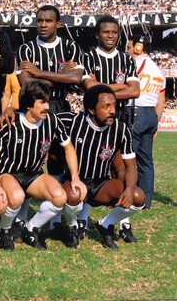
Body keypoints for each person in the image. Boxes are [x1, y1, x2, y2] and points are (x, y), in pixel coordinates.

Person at [0, 81, 86, 251]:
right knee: (16, 196)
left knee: (59, 196)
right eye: (42, 102)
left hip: (33, 175)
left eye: (48, 102)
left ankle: (30, 228)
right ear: (29, 105)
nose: (47, 106)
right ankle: (4, 231)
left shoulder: (52, 121)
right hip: (8, 173)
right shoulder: (11, 122)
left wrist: (75, 177)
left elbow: (69, 149)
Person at [15, 5, 85, 237]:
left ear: (58, 24)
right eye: (40, 20)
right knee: (28, 162)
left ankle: (56, 219)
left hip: (60, 108)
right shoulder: (26, 48)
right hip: (32, 109)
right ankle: (21, 218)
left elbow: (77, 78)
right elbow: (28, 85)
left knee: (57, 159)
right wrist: (60, 76)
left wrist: (39, 72)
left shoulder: (70, 46)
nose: (43, 24)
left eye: (48, 21)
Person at [58, 85, 145, 249]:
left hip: (101, 184)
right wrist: (12, 110)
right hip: (75, 181)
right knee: (73, 195)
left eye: (114, 105)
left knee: (137, 196)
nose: (112, 110)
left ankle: (106, 225)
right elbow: (40, 117)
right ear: (91, 109)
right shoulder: (72, 122)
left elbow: (131, 166)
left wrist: (129, 188)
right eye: (106, 106)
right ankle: (71, 227)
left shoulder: (121, 129)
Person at [82, 15, 140, 242]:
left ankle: (123, 222)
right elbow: (90, 90)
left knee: (121, 169)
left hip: (121, 119)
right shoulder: (88, 57)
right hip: (95, 122)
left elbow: (135, 91)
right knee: (93, 167)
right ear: (97, 34)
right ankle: (82, 218)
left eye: (114, 32)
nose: (110, 36)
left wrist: (103, 88)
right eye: (105, 32)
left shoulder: (127, 60)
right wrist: (121, 86)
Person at [125, 35, 165, 210]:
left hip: (136, 112)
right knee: (146, 160)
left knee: (128, 157)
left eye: (128, 47)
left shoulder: (135, 64)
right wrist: (156, 121)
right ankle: (146, 200)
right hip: (150, 115)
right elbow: (161, 100)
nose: (126, 50)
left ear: (138, 48)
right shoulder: (158, 69)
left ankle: (128, 195)